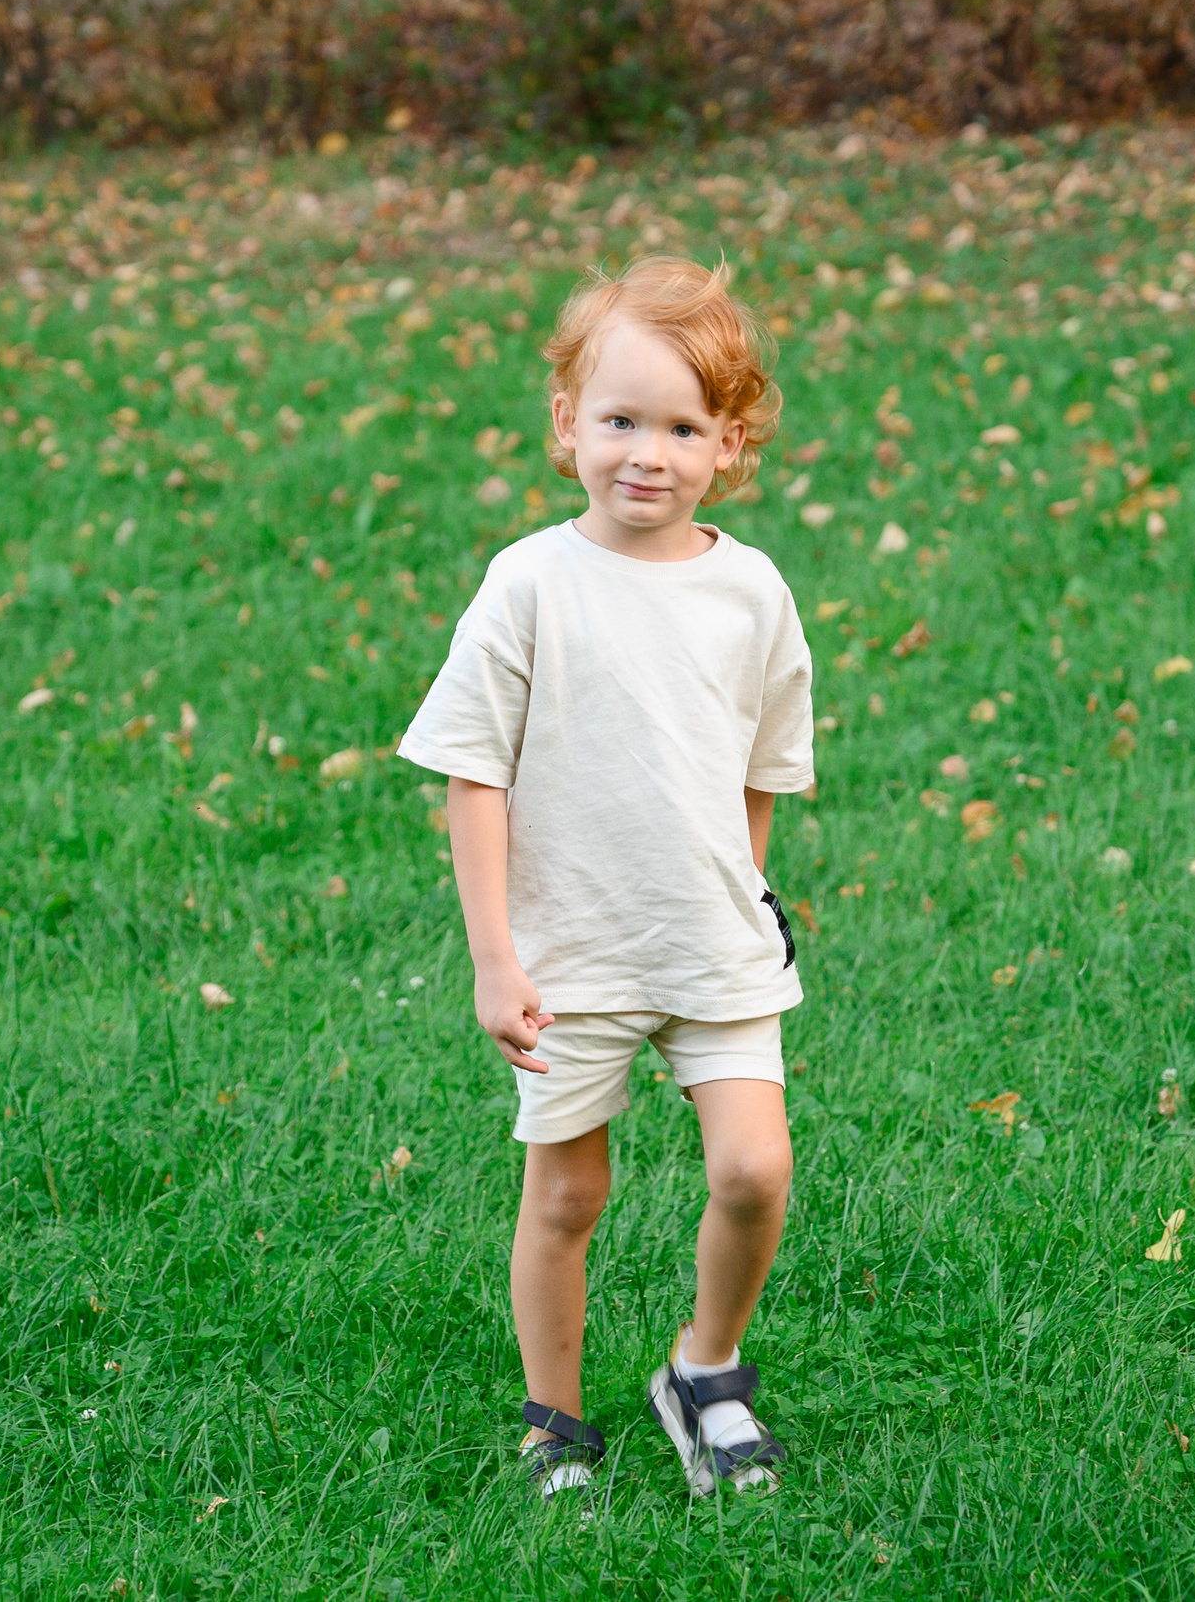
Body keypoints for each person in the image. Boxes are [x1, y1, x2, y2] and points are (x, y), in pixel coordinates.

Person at [399, 254, 813, 1503]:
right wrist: (495, 959)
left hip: (710, 941)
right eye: (621, 418)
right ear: (568, 421)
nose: (649, 452)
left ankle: (704, 1372)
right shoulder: (530, 583)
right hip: (571, 949)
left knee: (754, 1169)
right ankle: (555, 1420)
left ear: (728, 442)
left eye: (683, 427)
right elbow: (473, 774)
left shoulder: (750, 592)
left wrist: (737, 888)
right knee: (569, 1188)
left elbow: (759, 768)